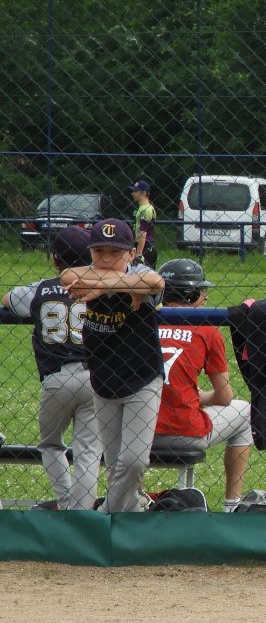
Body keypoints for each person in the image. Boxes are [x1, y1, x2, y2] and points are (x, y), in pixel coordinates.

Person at [60, 218, 166, 512]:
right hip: (103, 380)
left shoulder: (139, 271)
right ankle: (126, 524)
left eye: (115, 252)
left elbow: (155, 282)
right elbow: (67, 276)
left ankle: (104, 515)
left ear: (131, 253)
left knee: (133, 462)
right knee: (115, 463)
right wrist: (114, 286)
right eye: (99, 251)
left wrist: (98, 287)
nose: (106, 258)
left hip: (142, 379)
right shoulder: (87, 272)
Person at [2, 227, 102, 510]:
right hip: (95, 376)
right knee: (88, 449)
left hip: (56, 377)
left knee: (50, 444)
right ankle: (80, 510)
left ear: (54, 258)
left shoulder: (42, 288)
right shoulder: (100, 288)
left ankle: (65, 502)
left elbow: (8, 299)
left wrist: (48, 285)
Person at [150, 259, 254, 512]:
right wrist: (200, 398)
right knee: (246, 411)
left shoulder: (143, 323)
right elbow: (225, 396)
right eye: (201, 290)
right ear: (190, 293)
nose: (205, 296)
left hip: (135, 433)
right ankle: (232, 505)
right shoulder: (206, 329)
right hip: (184, 434)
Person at [127, 180, 158, 268]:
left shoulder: (145, 209)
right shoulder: (145, 208)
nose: (132, 194)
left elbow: (143, 232)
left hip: (145, 247)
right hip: (144, 245)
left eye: (135, 191)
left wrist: (139, 254)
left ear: (144, 193)